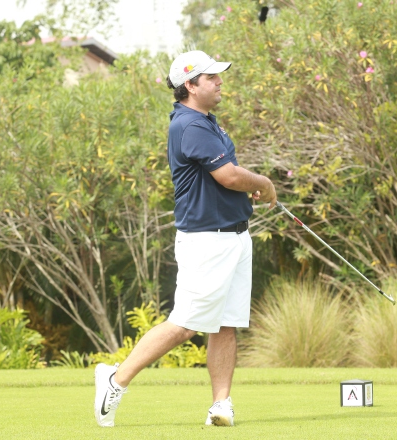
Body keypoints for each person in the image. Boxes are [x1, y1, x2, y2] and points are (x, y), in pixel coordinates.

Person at [94, 50, 277, 428]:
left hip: (235, 237)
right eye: (211, 77)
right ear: (190, 86)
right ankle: (115, 379)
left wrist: (249, 191)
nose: (219, 81)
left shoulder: (208, 123)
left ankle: (220, 405)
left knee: (226, 324)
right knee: (185, 325)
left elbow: (225, 181)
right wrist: (265, 184)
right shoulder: (190, 126)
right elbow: (228, 176)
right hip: (207, 242)